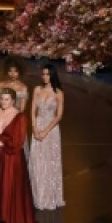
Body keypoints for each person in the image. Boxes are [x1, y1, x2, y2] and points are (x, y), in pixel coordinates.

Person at [0, 88, 35, 223]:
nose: (3, 102)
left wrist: (1, 142)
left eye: (7, 99)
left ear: (13, 101)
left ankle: (9, 216)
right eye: (2, 99)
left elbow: (18, 141)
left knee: (9, 185)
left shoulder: (20, 117)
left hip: (12, 157)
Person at [29, 64, 65, 210]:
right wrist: (34, 127)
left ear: (52, 75)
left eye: (47, 74)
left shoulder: (58, 93)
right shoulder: (37, 89)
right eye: (43, 74)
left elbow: (59, 116)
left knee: (50, 162)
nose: (44, 77)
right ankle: (36, 195)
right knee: (36, 161)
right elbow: (32, 110)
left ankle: (49, 196)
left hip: (51, 130)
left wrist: (46, 131)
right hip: (37, 126)